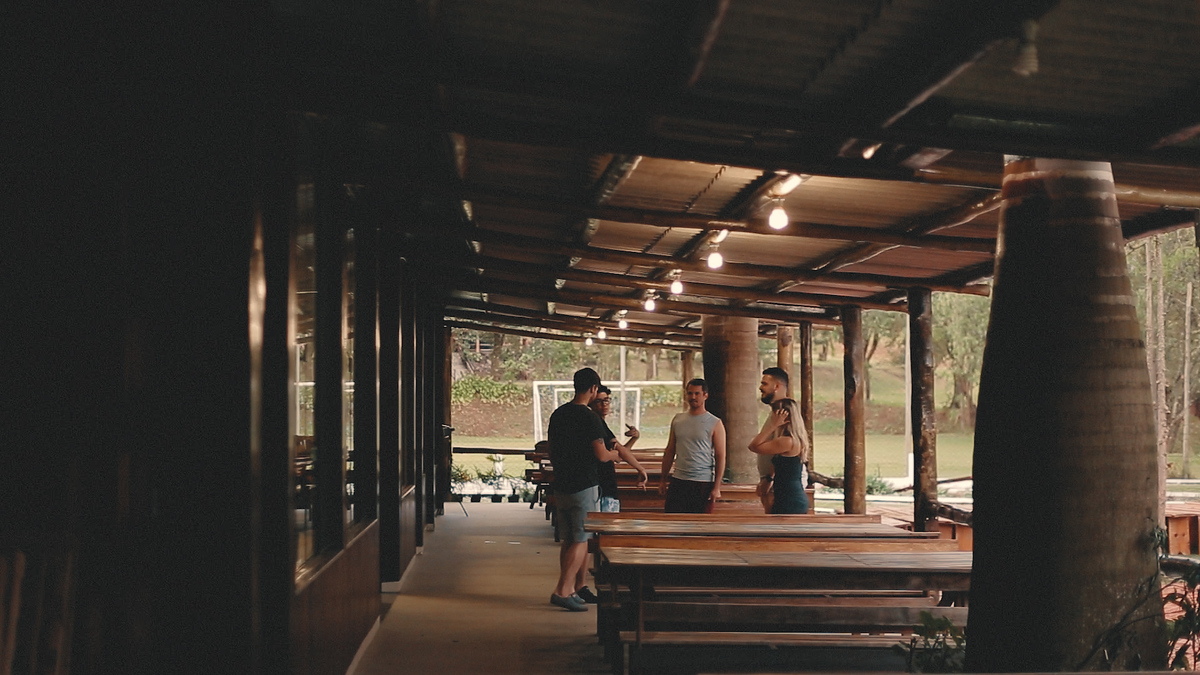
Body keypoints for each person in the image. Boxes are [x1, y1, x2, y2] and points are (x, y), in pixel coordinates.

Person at [547, 367, 621, 612]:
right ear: (592, 389)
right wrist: (614, 455)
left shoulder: (558, 414)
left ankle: (568, 588)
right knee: (582, 539)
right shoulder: (590, 417)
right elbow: (601, 455)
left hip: (562, 484)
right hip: (584, 485)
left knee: (569, 539)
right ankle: (563, 590)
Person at [658, 379, 726, 513]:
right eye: (690, 393)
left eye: (697, 394)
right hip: (679, 479)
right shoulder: (678, 419)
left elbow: (720, 456)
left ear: (705, 395)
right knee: (673, 521)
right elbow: (670, 450)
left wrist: (716, 487)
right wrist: (663, 479)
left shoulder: (715, 423)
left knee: (700, 524)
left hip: (702, 481)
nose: (693, 397)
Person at [589, 385, 649, 513]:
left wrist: (633, 439)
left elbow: (620, 454)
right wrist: (640, 469)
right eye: (598, 401)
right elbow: (619, 451)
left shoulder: (601, 424)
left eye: (606, 400)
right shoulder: (596, 423)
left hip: (605, 486)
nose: (604, 405)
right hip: (602, 486)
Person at [748, 397, 810, 514]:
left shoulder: (787, 441)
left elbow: (754, 446)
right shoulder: (793, 440)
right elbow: (780, 464)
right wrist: (768, 479)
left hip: (790, 499)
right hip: (787, 496)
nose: (772, 418)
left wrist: (772, 426)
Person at [755, 367, 802, 513]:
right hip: (771, 483)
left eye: (764, 384)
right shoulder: (775, 414)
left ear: (776, 386)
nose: (760, 387)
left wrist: (769, 479)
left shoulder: (784, 414)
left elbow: (757, 446)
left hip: (781, 487)